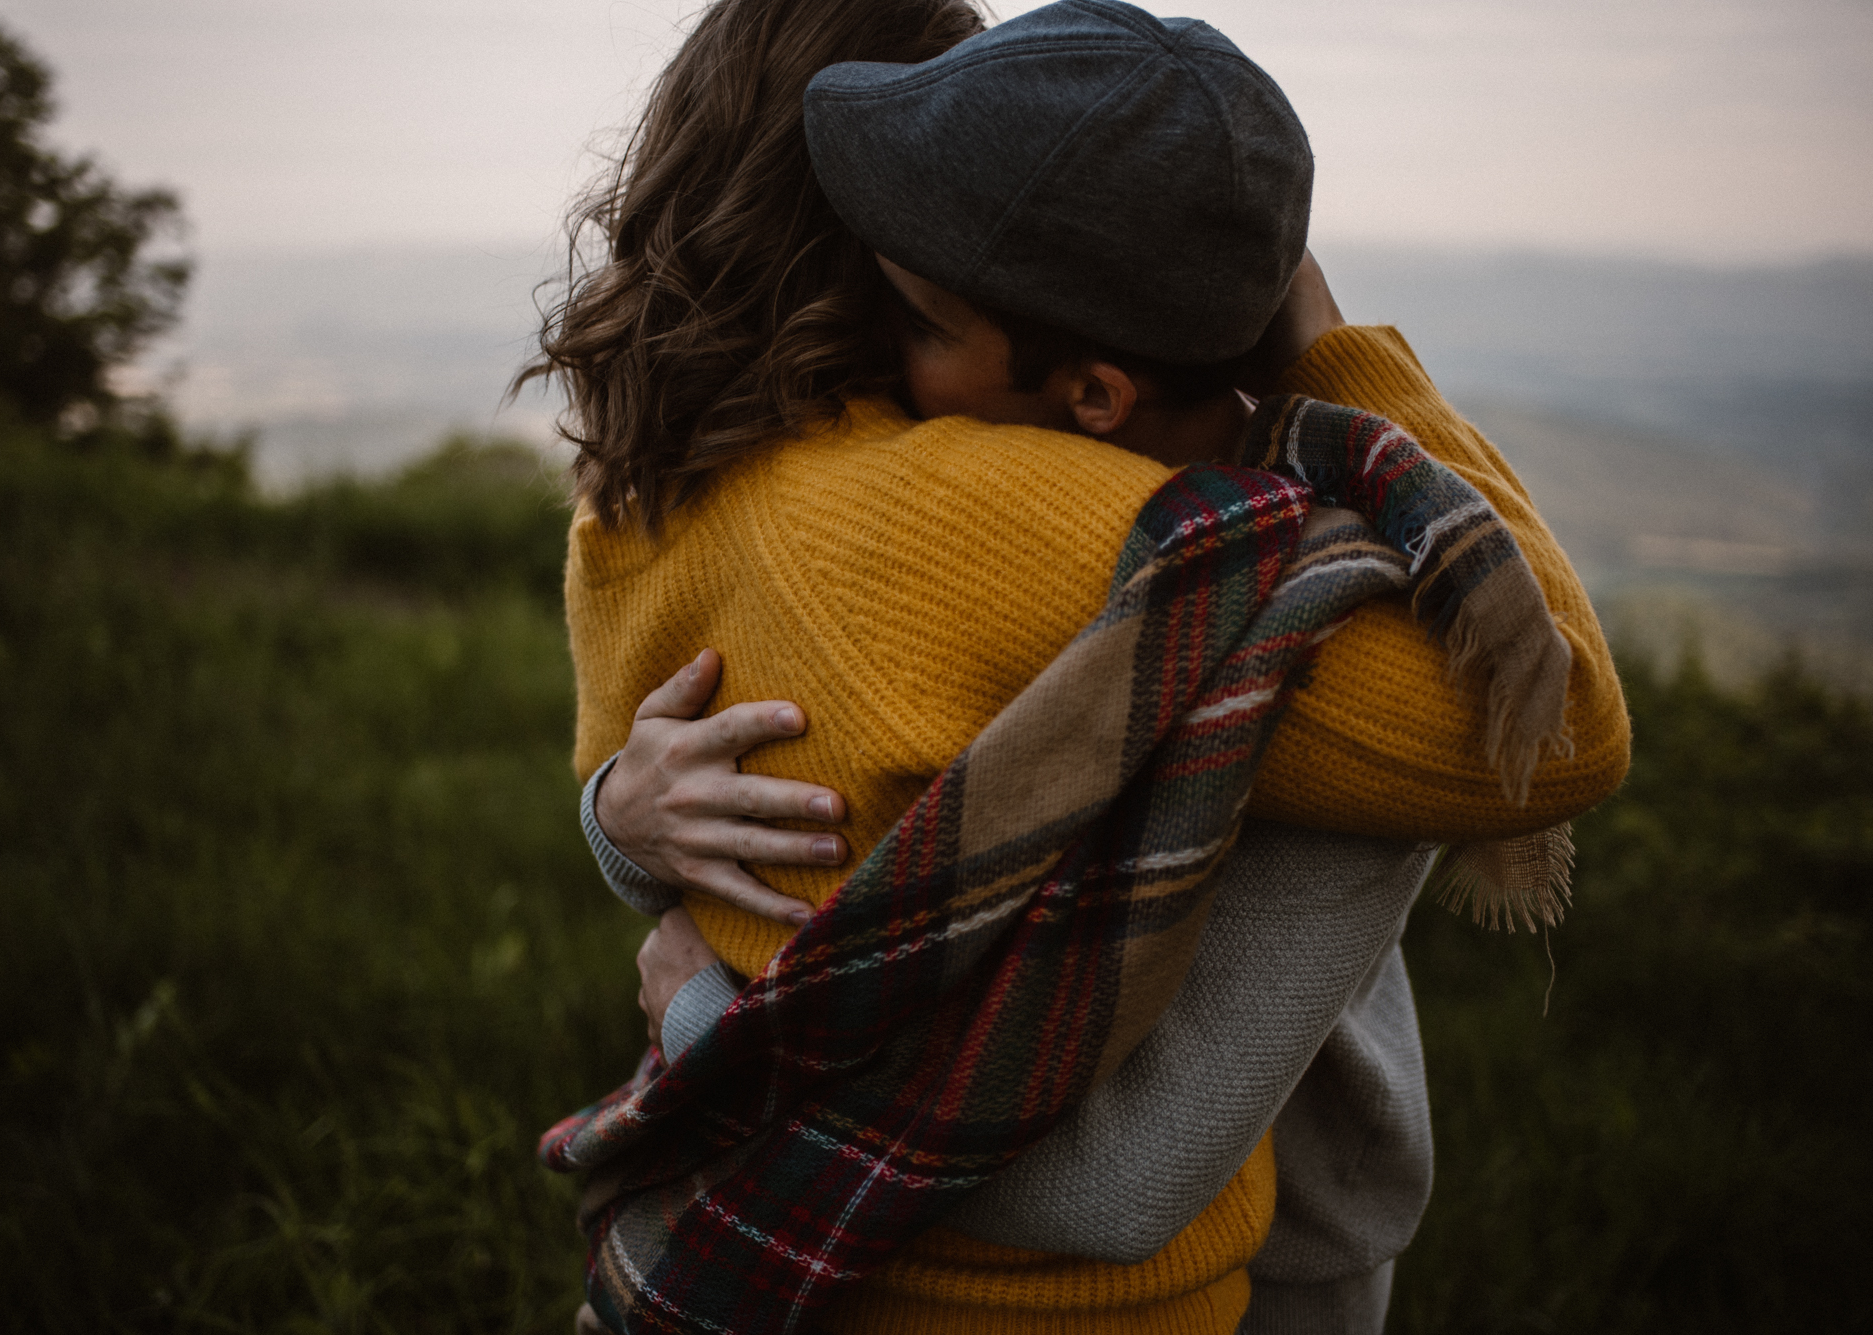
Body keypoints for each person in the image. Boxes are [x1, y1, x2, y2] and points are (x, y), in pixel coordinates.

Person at [536, 1, 1630, 1330]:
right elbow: (1557, 722)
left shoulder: (632, 489)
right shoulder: (993, 512)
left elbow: (651, 792)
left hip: (751, 1248)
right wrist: (1334, 345)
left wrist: (615, 822)